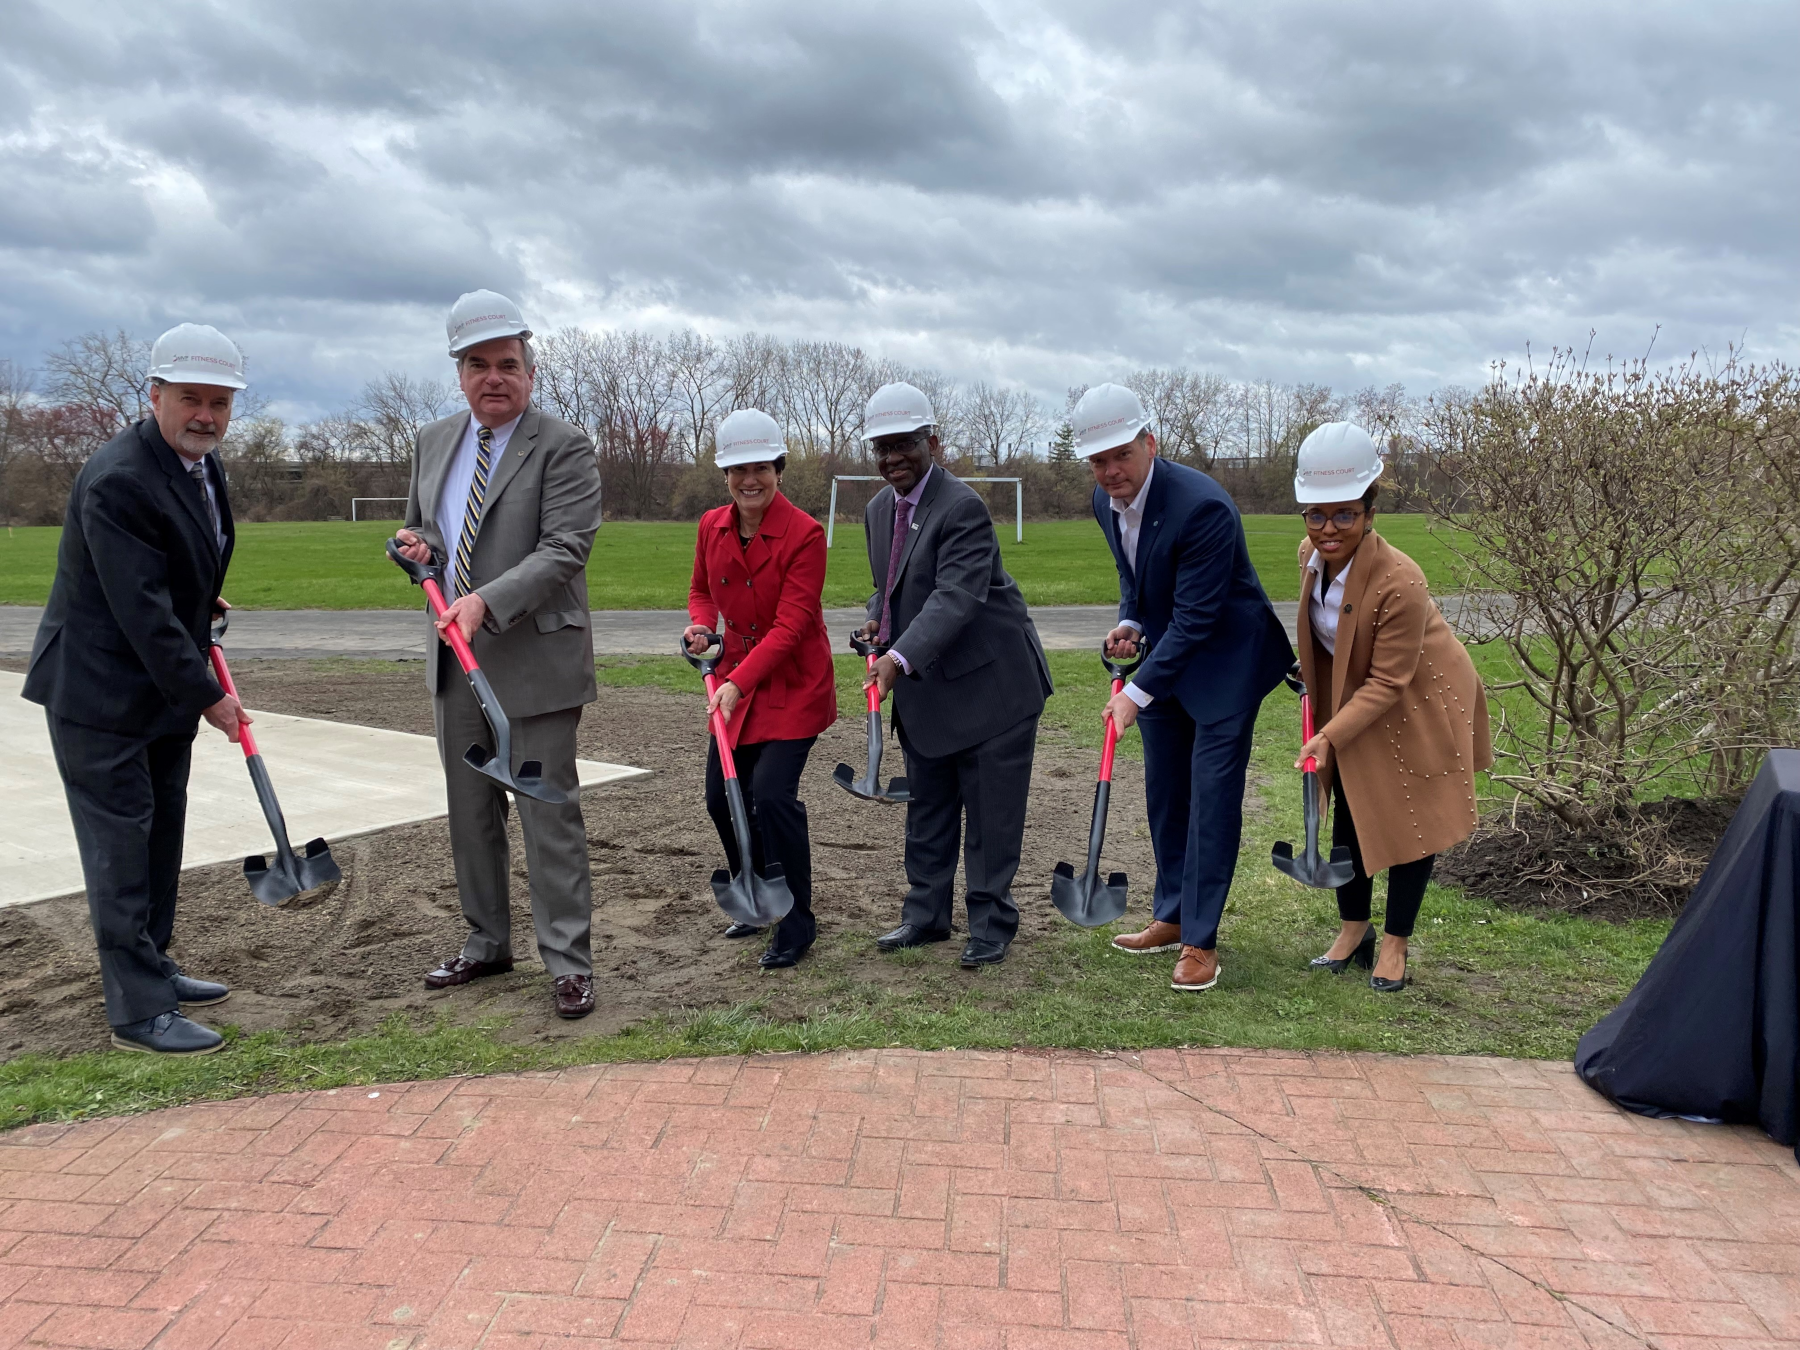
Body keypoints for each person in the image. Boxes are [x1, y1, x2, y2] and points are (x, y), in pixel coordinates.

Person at [23, 324, 250, 1055]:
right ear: (154, 395)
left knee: (159, 839)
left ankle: (153, 967)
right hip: (99, 695)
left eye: (219, 402)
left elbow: (177, 567)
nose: (206, 416)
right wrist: (210, 698)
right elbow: (139, 610)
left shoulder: (198, 466)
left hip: (156, 692)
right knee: (121, 851)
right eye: (191, 399)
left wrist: (202, 602)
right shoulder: (120, 476)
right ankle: (136, 1012)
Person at [393, 289, 604, 1019]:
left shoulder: (565, 446)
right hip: (456, 665)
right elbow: (430, 532)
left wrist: (487, 600)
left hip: (535, 666)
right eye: (478, 364)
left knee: (549, 816)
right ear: (459, 373)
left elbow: (564, 549)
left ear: (530, 370)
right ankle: (486, 943)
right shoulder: (434, 442)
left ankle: (569, 962)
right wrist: (416, 548)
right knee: (469, 813)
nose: (494, 377)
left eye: (508, 364)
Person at [1077, 384, 1294, 992]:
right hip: (1168, 659)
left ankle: (1201, 940)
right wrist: (1131, 621)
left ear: (1150, 442)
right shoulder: (1105, 502)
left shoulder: (1203, 506)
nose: (1111, 471)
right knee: (1166, 794)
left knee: (1210, 803)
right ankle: (1170, 916)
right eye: (1098, 461)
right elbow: (1136, 578)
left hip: (1226, 663)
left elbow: (1199, 619)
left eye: (1121, 454)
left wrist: (1133, 693)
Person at [1291, 422, 1493, 990]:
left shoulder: (1401, 580)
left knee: (1412, 817)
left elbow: (1390, 678)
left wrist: (1330, 734)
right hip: (1362, 694)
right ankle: (1354, 929)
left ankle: (1396, 943)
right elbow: (1328, 633)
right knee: (1350, 804)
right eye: (1316, 514)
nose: (1328, 529)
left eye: (1344, 515)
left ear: (1369, 510)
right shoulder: (1310, 554)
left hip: (1421, 697)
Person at [857, 382, 1052, 969]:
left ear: (932, 442)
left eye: (904, 445)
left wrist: (895, 659)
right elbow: (895, 586)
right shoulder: (876, 510)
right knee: (929, 805)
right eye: (881, 448)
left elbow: (954, 596)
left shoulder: (962, 506)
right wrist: (875, 623)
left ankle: (991, 924)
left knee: (991, 815)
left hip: (994, 686)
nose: (892, 458)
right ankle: (925, 915)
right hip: (930, 687)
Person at [682, 410, 838, 968]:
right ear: (725, 474)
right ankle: (753, 896)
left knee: (770, 795)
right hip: (736, 673)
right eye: (737, 470)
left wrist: (738, 682)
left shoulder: (805, 533)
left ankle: (796, 921)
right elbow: (702, 590)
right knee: (720, 798)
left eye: (761, 468)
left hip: (792, 679)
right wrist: (701, 626)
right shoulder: (711, 525)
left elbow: (793, 626)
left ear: (778, 468)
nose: (750, 480)